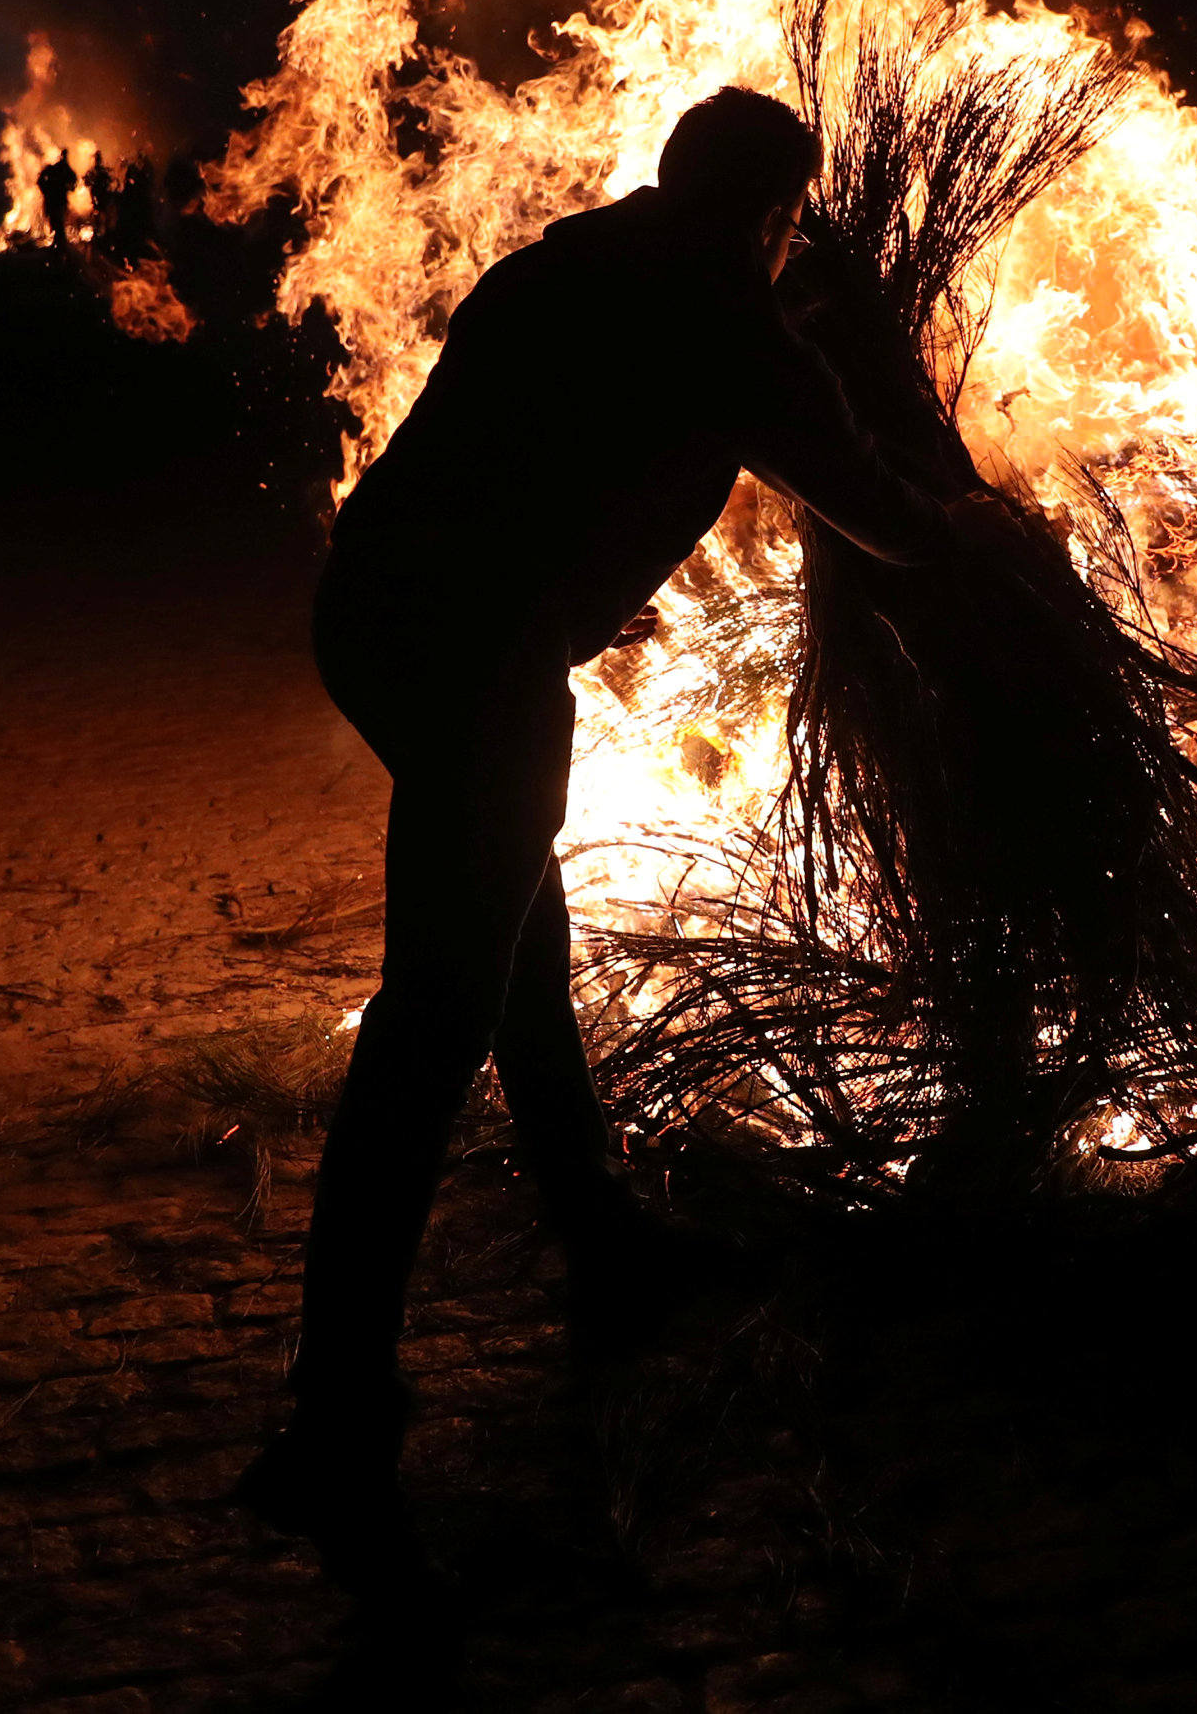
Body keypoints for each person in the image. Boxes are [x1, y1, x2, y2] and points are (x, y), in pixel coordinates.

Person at [235, 87, 951, 1596]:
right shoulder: (718, 316)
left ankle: (602, 1235)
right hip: (477, 646)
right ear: (770, 216)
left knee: (520, 943)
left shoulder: (567, 263)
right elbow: (872, 507)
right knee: (437, 1007)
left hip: (372, 612)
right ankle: (336, 1413)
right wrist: (988, 540)